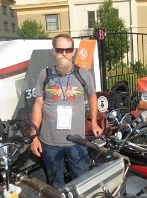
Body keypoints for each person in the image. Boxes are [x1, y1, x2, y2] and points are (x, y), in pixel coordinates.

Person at [30, 33, 103, 188]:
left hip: (76, 140)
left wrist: (94, 123)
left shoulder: (83, 74)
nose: (64, 53)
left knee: (82, 182)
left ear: (73, 51)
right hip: (49, 142)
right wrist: (34, 136)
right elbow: (38, 104)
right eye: (60, 50)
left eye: (68, 50)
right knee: (56, 184)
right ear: (53, 51)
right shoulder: (45, 74)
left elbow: (92, 97)